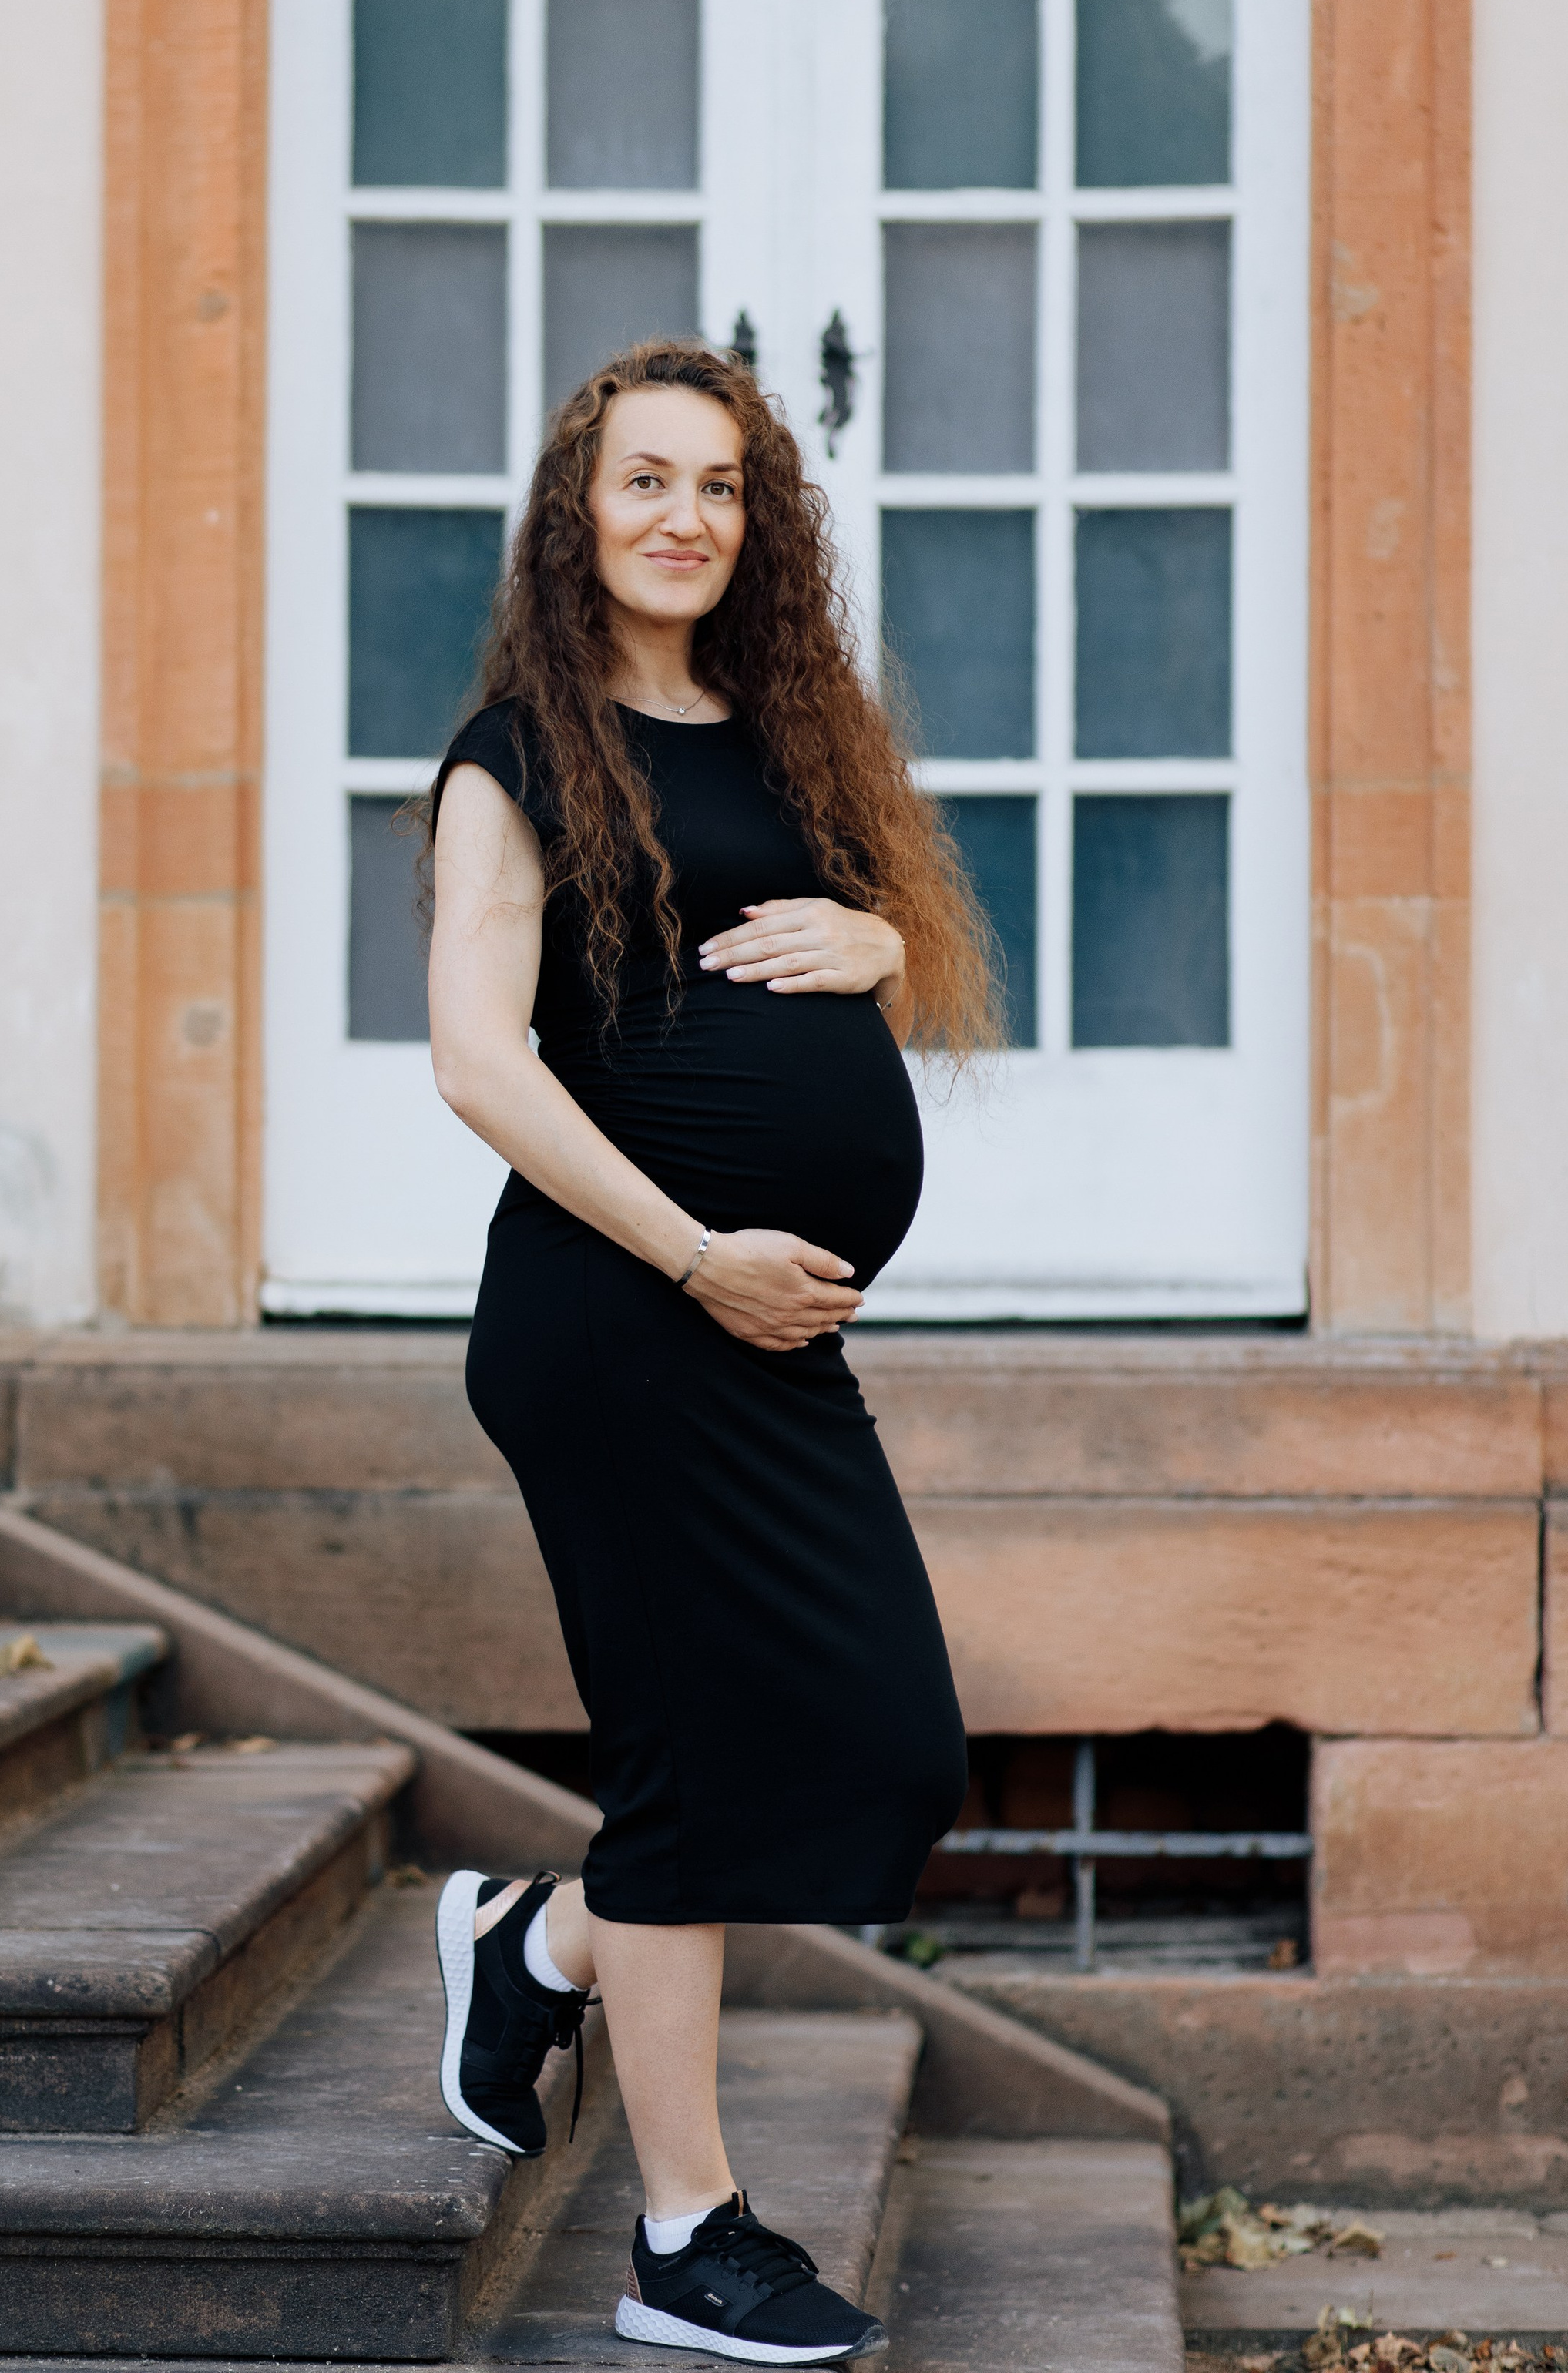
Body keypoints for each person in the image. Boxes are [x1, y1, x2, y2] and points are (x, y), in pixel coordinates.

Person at [426, 340, 996, 2363]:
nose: (686, 515)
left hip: (759, 1333)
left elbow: (851, 945)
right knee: (689, 1765)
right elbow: (477, 1062)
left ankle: (537, 1944)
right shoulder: (517, 753)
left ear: (761, 524)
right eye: (646, 479)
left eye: (725, 487)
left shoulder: (785, 734)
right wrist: (693, 1258)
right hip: (620, 1318)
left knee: (887, 1740)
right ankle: (688, 2234)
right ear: (579, 513)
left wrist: (890, 949)